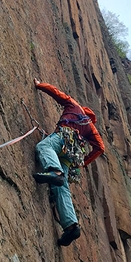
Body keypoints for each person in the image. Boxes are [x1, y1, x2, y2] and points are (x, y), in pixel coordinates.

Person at [32, 79, 105, 246]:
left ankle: (54, 171)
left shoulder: (74, 106)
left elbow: (57, 93)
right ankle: (71, 225)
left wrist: (39, 84)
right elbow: (100, 148)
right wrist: (84, 163)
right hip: (72, 154)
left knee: (44, 146)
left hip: (64, 137)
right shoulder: (91, 128)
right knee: (62, 186)